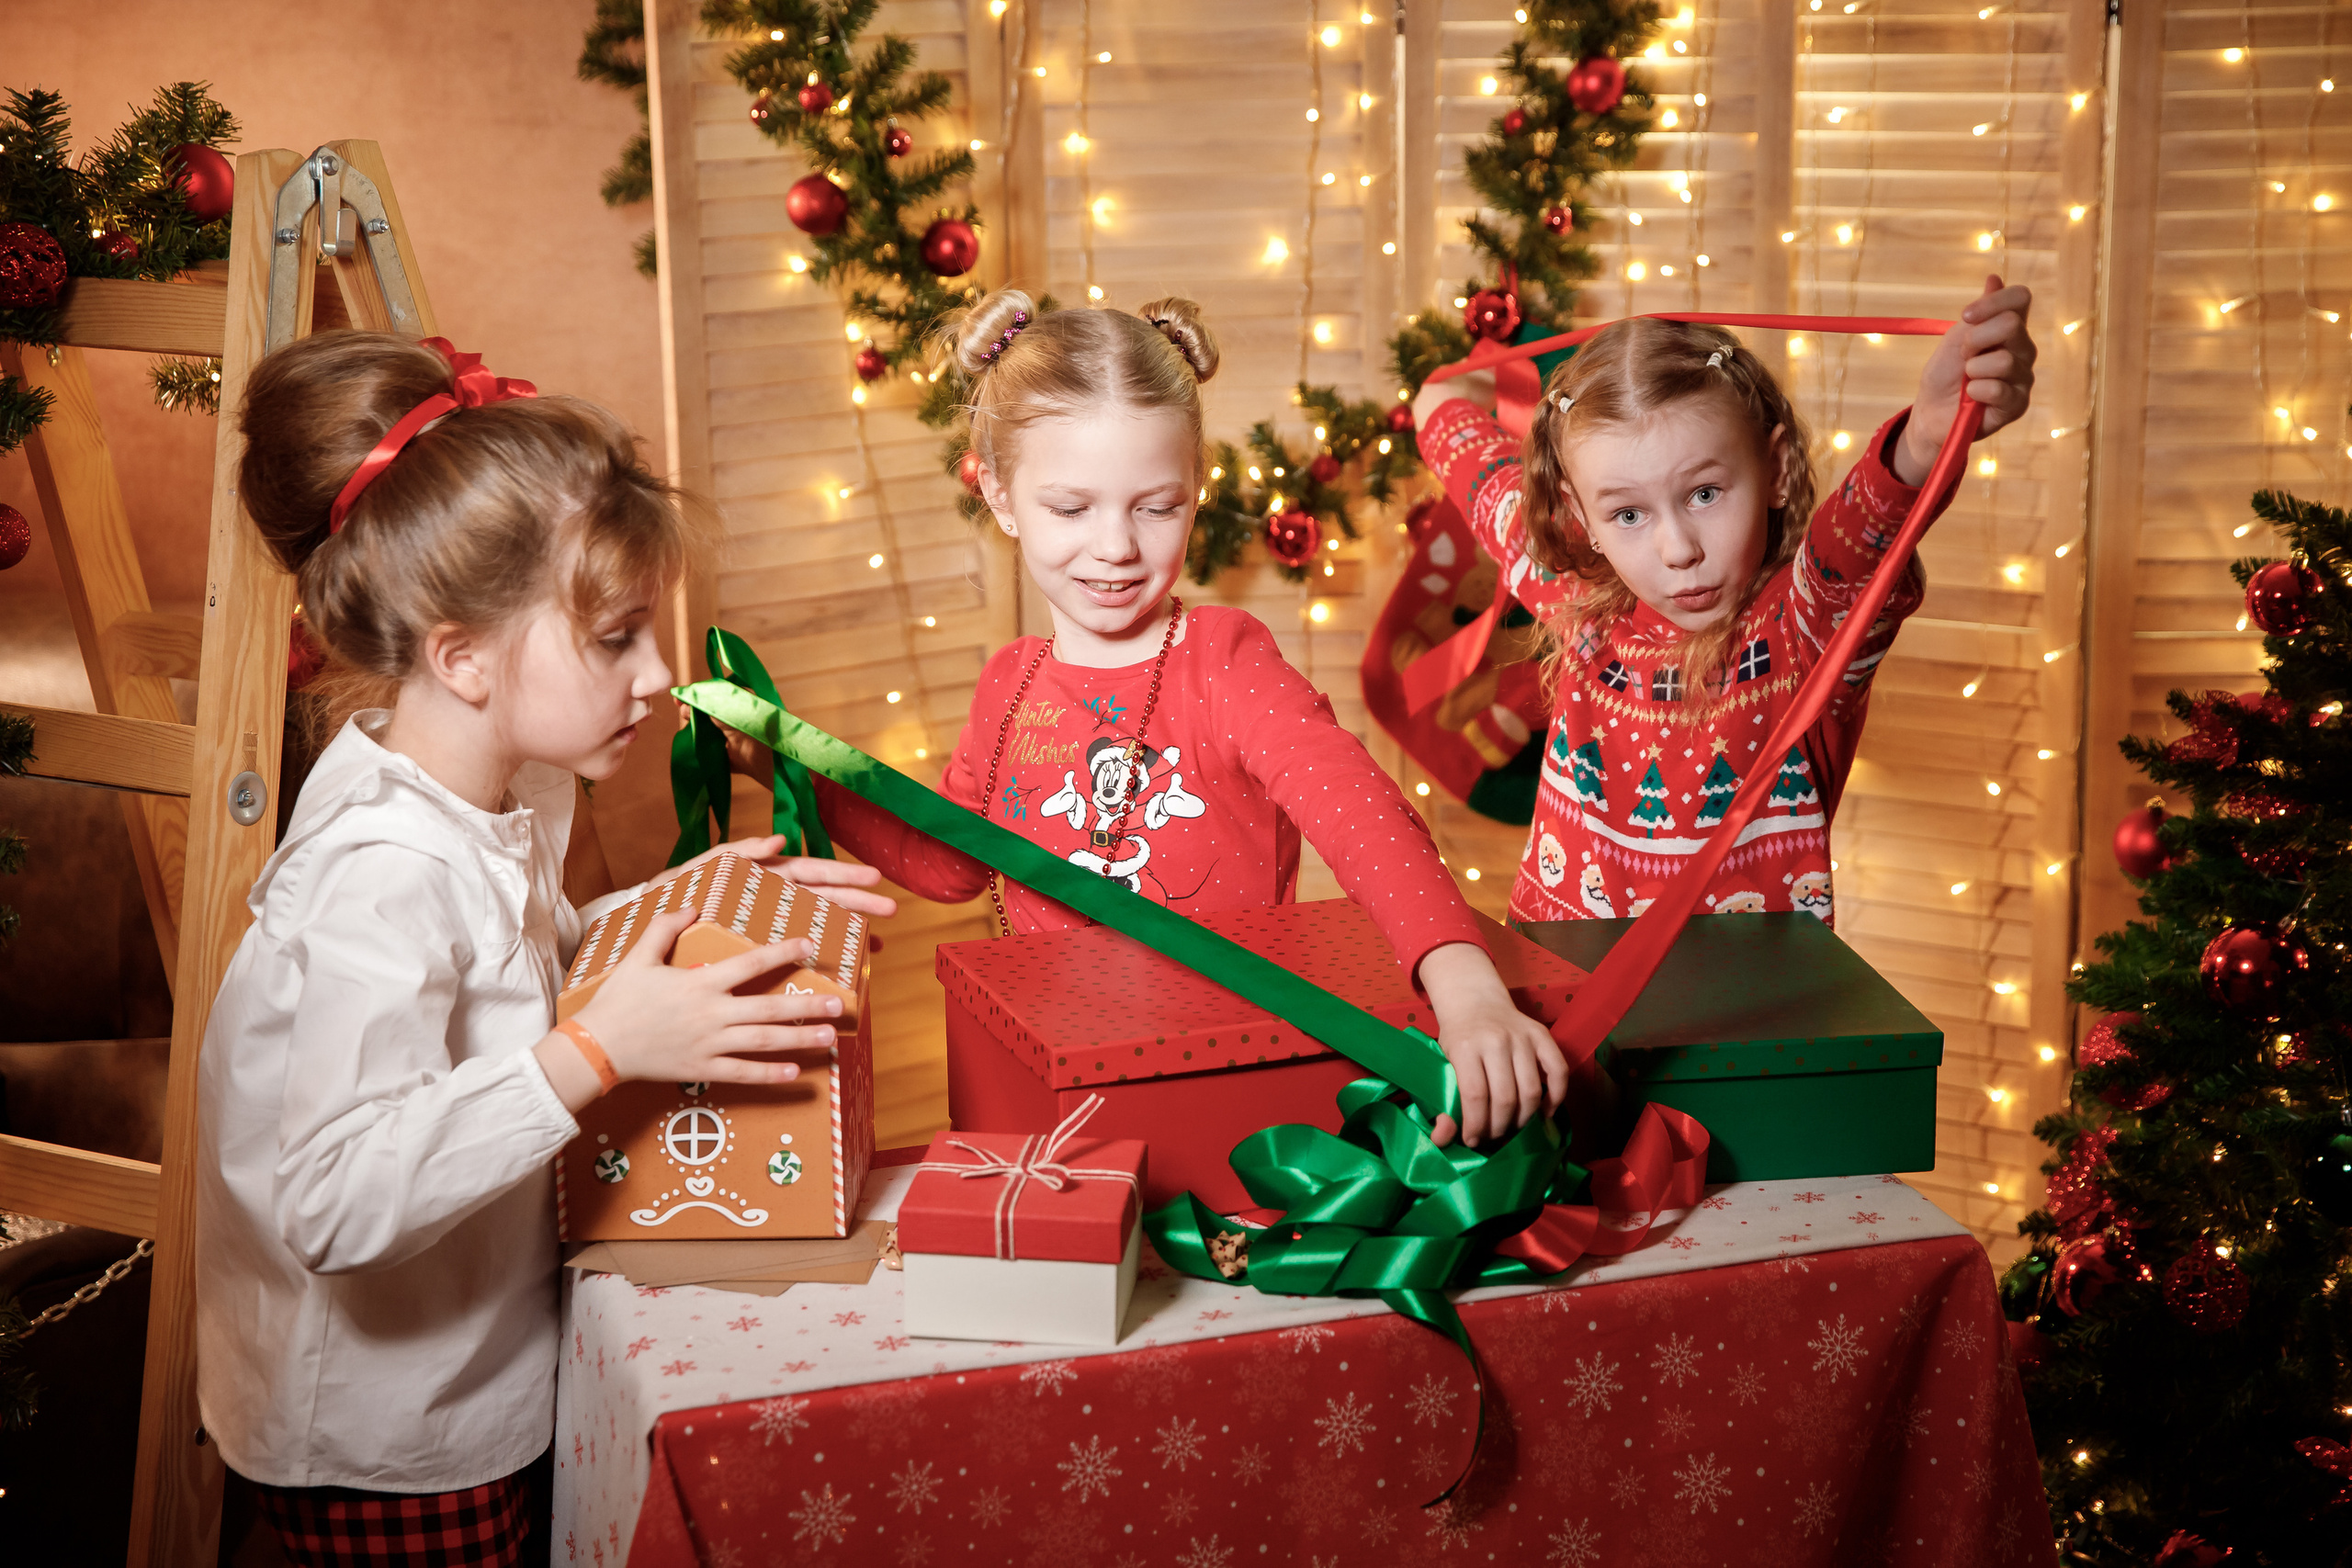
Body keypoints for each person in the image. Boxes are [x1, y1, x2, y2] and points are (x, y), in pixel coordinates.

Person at [194, 332, 891, 1566]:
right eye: (617, 637)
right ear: (460, 653)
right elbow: (335, 1196)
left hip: (481, 1358)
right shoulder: (382, 866)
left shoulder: (482, 784)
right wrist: (599, 1048)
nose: (663, 674)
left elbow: (498, 975)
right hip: (391, 1427)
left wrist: (688, 888)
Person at [811, 289, 1566, 1148]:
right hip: (1056, 1089)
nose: (1117, 546)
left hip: (1219, 1082)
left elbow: (1354, 807)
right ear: (999, 495)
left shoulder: (1225, 664)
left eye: (1155, 505)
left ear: (1195, 488)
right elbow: (949, 860)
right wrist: (795, 770)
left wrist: (1463, 981)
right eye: (1071, 508)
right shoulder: (1008, 685)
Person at [1408, 277, 2037, 928]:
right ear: (1580, 516)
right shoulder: (1576, 596)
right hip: (1559, 1002)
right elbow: (1473, 463)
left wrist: (1926, 440)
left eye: (1705, 493)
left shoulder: (1802, 630)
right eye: (1627, 512)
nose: (1678, 549)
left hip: (1749, 1020)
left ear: (1776, 467)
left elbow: (1857, 543)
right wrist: (1442, 393)